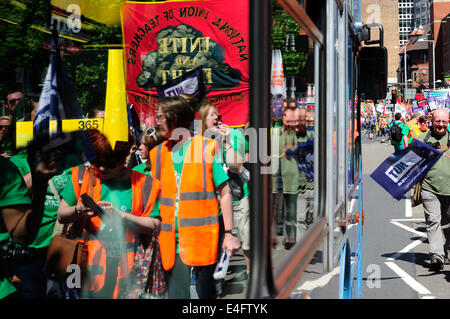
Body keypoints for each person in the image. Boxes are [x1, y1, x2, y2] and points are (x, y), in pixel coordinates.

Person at [149, 95, 240, 299]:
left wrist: (229, 233)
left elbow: (225, 193)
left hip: (202, 240)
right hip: (169, 242)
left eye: (160, 117)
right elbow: (153, 198)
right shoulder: (156, 154)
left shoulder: (206, 147)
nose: (157, 122)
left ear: (174, 118)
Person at [57, 128, 162, 298]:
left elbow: (155, 226)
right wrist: (80, 210)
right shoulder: (81, 176)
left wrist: (123, 217)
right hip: (83, 266)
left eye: (110, 164)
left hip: (128, 270)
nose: (102, 168)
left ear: (123, 160)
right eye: (97, 162)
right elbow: (61, 216)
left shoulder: (145, 183)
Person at [198, 103, 250, 278]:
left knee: (246, 242)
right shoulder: (197, 142)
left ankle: (251, 276)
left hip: (236, 197)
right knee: (218, 247)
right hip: (212, 202)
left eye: (217, 115)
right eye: (212, 115)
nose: (217, 118)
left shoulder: (234, 134)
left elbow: (237, 167)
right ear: (204, 120)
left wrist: (227, 142)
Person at [0, 150, 56, 299]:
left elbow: (22, 236)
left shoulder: (4, 168)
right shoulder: (5, 167)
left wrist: (40, 185)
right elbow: (22, 236)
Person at [416, 109, 450, 271]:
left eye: (444, 121)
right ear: (431, 121)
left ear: (448, 122)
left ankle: (445, 252)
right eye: (438, 121)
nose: (441, 125)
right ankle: (436, 256)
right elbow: (411, 165)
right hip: (429, 188)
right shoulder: (422, 140)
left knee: (447, 224)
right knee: (433, 221)